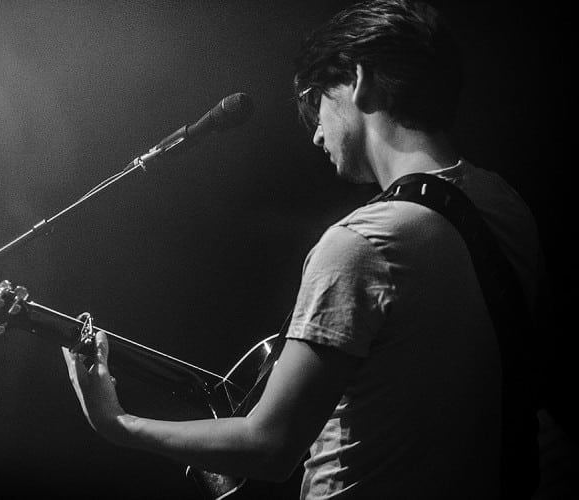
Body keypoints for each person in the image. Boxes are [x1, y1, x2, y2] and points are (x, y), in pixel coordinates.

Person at [59, 0, 546, 497]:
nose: (316, 133)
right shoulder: (505, 204)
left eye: (317, 102)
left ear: (358, 80)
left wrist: (117, 424)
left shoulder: (363, 244)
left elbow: (269, 446)